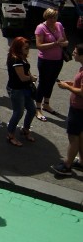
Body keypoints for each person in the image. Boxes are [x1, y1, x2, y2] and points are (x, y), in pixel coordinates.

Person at [51, 44, 83, 175]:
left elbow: (82, 92)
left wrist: (67, 87)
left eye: (75, 52)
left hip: (78, 109)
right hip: (79, 109)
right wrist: (72, 83)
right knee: (81, 136)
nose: (73, 53)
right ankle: (82, 162)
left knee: (73, 137)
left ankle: (67, 165)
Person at [34, 7, 68, 121]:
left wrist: (63, 43)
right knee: (43, 83)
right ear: (47, 17)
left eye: (56, 17)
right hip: (45, 60)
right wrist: (55, 43)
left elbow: (65, 41)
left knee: (51, 82)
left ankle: (46, 104)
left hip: (58, 60)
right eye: (52, 17)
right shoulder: (41, 28)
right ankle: (38, 107)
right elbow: (39, 46)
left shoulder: (59, 25)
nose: (54, 19)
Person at [5, 36, 38, 146]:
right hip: (16, 89)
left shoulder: (21, 57)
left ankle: (25, 129)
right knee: (18, 112)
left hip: (24, 88)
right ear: (18, 48)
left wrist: (29, 76)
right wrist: (31, 78)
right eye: (26, 48)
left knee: (32, 110)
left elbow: (25, 71)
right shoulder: (16, 59)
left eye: (28, 48)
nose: (28, 50)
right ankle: (10, 135)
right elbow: (22, 77)